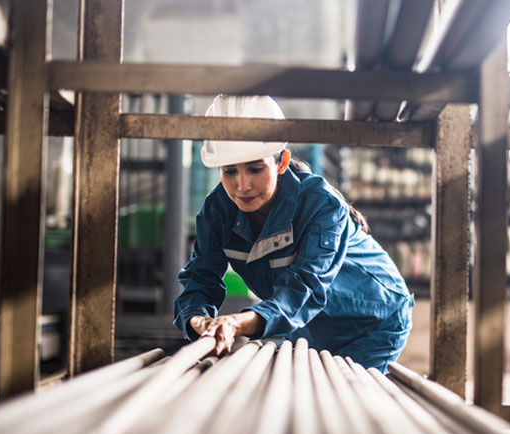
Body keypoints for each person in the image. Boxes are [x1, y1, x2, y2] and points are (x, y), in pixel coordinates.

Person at [173, 94, 414, 373]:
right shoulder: (217, 212)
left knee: (342, 403)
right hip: (308, 325)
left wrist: (237, 323)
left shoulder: (321, 205)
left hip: (373, 321)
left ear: (282, 162)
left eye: (255, 168)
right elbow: (200, 280)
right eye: (229, 172)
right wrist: (200, 321)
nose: (242, 185)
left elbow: (305, 287)